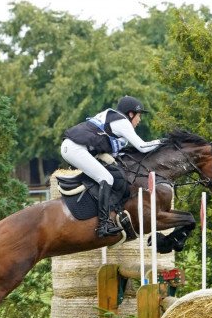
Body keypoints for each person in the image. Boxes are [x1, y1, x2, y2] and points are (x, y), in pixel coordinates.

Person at [61, 95, 163, 238]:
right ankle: (103, 225)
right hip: (75, 148)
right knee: (106, 178)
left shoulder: (113, 118)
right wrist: (163, 142)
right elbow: (142, 147)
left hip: (75, 147)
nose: (139, 120)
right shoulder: (122, 122)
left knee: (109, 174)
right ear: (131, 114)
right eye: (139, 116)